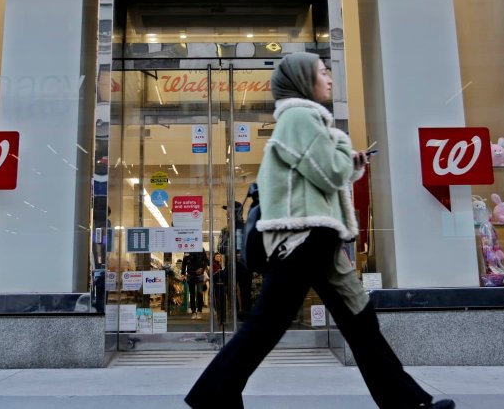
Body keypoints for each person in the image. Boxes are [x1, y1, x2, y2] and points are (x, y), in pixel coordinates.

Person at [185, 52, 455, 409]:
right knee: (270, 323)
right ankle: (212, 393)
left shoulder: (307, 121)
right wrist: (343, 154)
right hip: (304, 237)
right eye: (322, 72)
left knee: (360, 321)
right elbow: (328, 173)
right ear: (302, 80)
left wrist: (347, 161)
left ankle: (406, 402)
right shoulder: (299, 117)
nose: (329, 78)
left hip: (318, 235)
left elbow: (320, 177)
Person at [181, 251, 209, 319]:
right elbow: (184, 262)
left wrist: (202, 269)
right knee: (192, 294)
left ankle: (199, 311)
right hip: (190, 275)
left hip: (199, 275)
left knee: (200, 293)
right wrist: (183, 273)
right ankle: (193, 311)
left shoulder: (201, 249)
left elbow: (206, 261)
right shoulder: (187, 249)